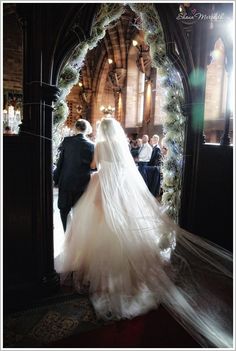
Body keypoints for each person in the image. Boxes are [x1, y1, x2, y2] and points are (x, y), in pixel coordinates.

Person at [55, 117, 232, 348]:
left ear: (101, 130)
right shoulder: (121, 145)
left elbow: (94, 165)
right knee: (121, 228)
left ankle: (96, 270)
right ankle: (128, 269)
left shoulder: (99, 145)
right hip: (119, 184)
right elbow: (125, 164)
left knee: (96, 226)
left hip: (102, 183)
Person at [53, 119, 94, 231]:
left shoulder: (66, 141)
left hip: (66, 181)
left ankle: (67, 233)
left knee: (64, 209)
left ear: (75, 128)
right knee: (79, 211)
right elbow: (93, 167)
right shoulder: (92, 145)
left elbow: (60, 162)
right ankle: (77, 235)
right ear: (87, 129)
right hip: (83, 183)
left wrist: (56, 178)